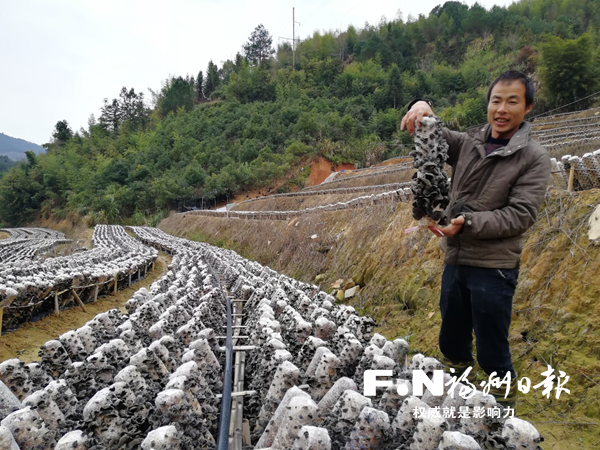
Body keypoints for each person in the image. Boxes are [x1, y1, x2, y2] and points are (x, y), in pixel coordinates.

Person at [400, 70, 551, 407]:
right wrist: (420, 105)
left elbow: (520, 215)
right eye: (496, 100)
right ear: (488, 104)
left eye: (512, 101)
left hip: (494, 266)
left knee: (492, 347)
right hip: (457, 258)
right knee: (452, 337)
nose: (502, 108)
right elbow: (433, 131)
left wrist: (466, 223)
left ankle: (501, 415)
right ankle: (456, 402)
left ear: (527, 108)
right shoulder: (469, 143)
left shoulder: (534, 158)